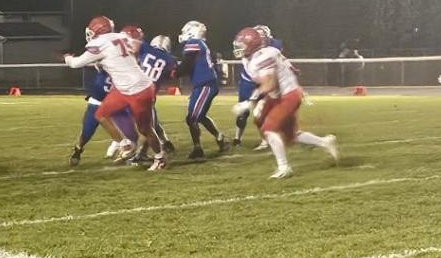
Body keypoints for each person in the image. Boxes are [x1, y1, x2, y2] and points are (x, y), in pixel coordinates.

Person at [231, 26, 338, 179]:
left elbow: (270, 84)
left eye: (241, 45)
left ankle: (284, 167)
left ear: (252, 45)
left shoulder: (262, 57)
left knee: (269, 129)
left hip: (288, 95)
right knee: (288, 134)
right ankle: (325, 142)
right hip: (278, 95)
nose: (238, 48)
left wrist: (249, 102)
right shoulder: (254, 57)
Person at [64, 15, 167, 171]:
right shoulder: (122, 36)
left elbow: (76, 63)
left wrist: (68, 58)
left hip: (138, 90)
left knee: (145, 129)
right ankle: (124, 144)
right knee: (100, 114)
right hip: (125, 88)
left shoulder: (99, 43)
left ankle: (160, 158)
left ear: (97, 30)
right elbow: (129, 51)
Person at [122, 26, 178, 161]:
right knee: (150, 122)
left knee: (147, 126)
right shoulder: (170, 60)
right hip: (149, 93)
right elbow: (172, 75)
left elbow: (132, 47)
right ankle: (163, 142)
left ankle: (141, 153)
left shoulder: (146, 48)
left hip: (136, 90)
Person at [177, 20, 229, 159]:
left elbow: (186, 65)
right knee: (198, 116)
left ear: (192, 31)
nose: (182, 34)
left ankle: (198, 148)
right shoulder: (200, 44)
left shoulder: (194, 43)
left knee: (192, 117)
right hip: (203, 85)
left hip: (206, 85)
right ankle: (219, 138)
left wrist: (173, 72)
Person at [68, 67, 139, 167]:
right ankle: (78, 149)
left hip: (115, 103)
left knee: (130, 132)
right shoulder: (106, 62)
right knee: (87, 132)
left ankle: (127, 152)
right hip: (97, 103)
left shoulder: (127, 67)